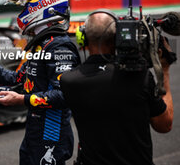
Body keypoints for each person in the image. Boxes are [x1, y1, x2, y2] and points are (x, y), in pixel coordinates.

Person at [0, 0, 81, 165]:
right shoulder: (40, 45)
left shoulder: (59, 46)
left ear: (42, 5)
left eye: (26, 5)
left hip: (51, 133)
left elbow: (64, 95)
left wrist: (21, 99)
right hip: (35, 131)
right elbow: (16, 79)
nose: (22, 11)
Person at [59, 10, 174, 165]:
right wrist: (164, 70)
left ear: (83, 39)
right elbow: (164, 125)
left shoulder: (69, 81)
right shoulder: (140, 77)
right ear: (117, 37)